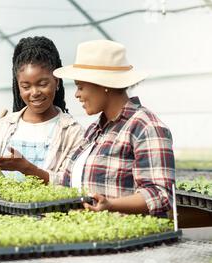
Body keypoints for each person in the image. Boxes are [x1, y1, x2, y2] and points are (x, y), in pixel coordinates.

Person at [53, 40, 175, 216]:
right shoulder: (94, 130)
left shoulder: (146, 127)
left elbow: (160, 194)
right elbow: (67, 180)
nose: (77, 94)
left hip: (127, 239)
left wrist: (111, 205)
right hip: (89, 235)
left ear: (104, 86)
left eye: (80, 86)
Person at [0, 36, 85, 185]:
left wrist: (28, 169)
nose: (34, 92)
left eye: (42, 84)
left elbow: (72, 184)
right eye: (26, 86)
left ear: (56, 82)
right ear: (18, 86)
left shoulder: (73, 133)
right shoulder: (2, 126)